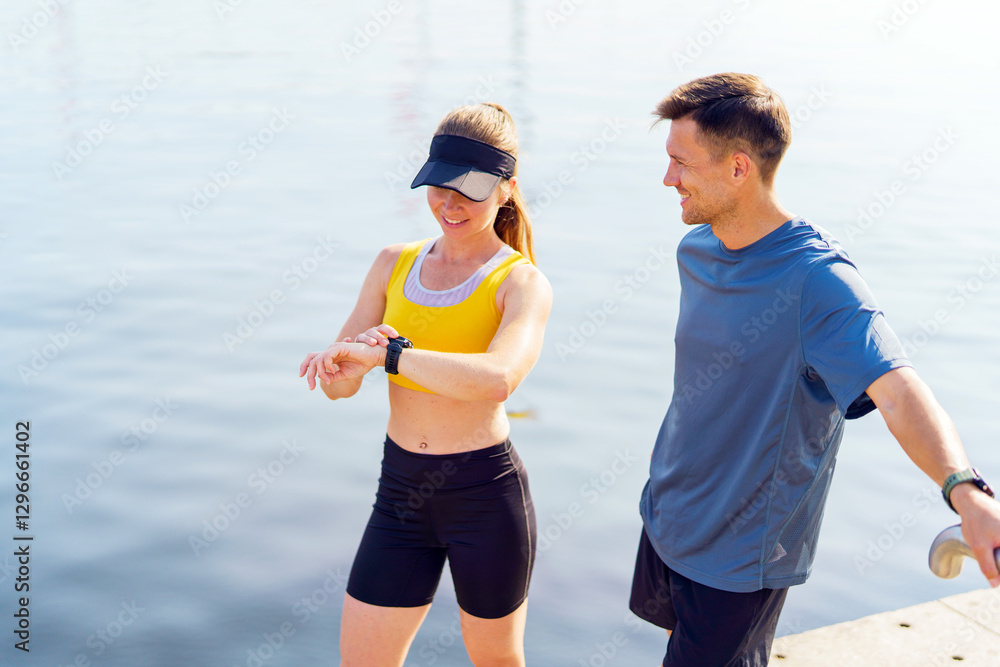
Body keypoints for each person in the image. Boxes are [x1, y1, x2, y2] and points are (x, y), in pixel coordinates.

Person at [630, 72, 1000, 666]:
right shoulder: (696, 249)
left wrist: (966, 492)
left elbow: (898, 388)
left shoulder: (819, 281)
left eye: (681, 163)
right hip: (668, 517)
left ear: (739, 168)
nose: (668, 178)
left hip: (741, 556)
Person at [299, 102, 552, 667]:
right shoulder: (392, 262)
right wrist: (340, 367)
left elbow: (499, 379)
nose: (450, 204)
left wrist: (390, 356)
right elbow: (341, 388)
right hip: (400, 493)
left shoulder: (521, 283)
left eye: (469, 191)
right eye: (439, 187)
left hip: (484, 496)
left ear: (507, 190)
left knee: (495, 661)